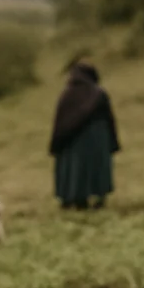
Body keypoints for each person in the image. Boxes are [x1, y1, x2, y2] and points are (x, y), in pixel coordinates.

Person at [49, 54, 120, 210]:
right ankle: (98, 198)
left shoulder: (66, 95)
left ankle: (72, 198)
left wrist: (57, 143)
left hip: (71, 140)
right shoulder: (99, 93)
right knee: (96, 167)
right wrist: (113, 142)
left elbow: (60, 122)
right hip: (97, 138)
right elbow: (109, 119)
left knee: (74, 169)